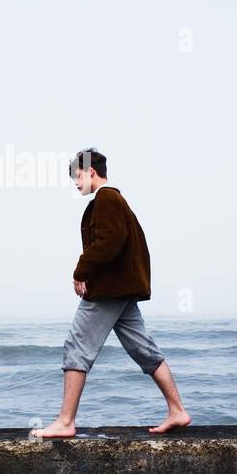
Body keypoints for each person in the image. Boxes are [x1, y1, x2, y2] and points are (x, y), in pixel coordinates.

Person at [32, 148, 191, 438]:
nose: (76, 183)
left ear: (91, 172)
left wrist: (81, 271)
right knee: (144, 350)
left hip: (109, 291)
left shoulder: (106, 198)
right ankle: (177, 410)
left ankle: (66, 421)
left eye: (77, 177)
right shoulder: (116, 200)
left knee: (77, 347)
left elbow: (110, 241)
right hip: (122, 290)